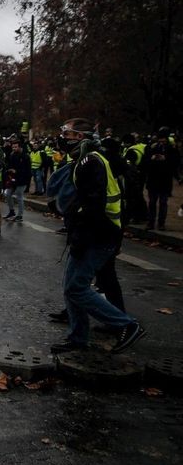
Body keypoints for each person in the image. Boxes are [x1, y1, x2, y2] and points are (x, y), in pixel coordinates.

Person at [50, 118, 146, 354]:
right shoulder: (85, 160)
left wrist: (81, 233)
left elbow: (93, 202)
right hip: (93, 232)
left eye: (67, 135)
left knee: (76, 287)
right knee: (70, 286)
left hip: (98, 234)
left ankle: (126, 324)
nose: (63, 139)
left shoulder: (90, 161)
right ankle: (77, 338)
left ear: (80, 138)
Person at [140, 127, 181, 230]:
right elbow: (145, 162)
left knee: (162, 202)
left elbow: (176, 164)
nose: (161, 141)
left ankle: (160, 223)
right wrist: (152, 158)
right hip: (156, 178)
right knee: (153, 202)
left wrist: (165, 159)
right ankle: (152, 222)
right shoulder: (152, 147)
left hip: (163, 179)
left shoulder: (171, 149)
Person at [4, 139, 31, 222]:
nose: (14, 148)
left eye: (16, 147)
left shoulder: (25, 156)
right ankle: (11, 211)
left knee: (19, 196)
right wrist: (9, 170)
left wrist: (17, 171)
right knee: (8, 194)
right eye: (13, 147)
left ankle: (20, 215)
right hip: (13, 179)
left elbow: (27, 170)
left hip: (22, 179)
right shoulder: (12, 155)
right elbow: (9, 164)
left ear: (20, 147)